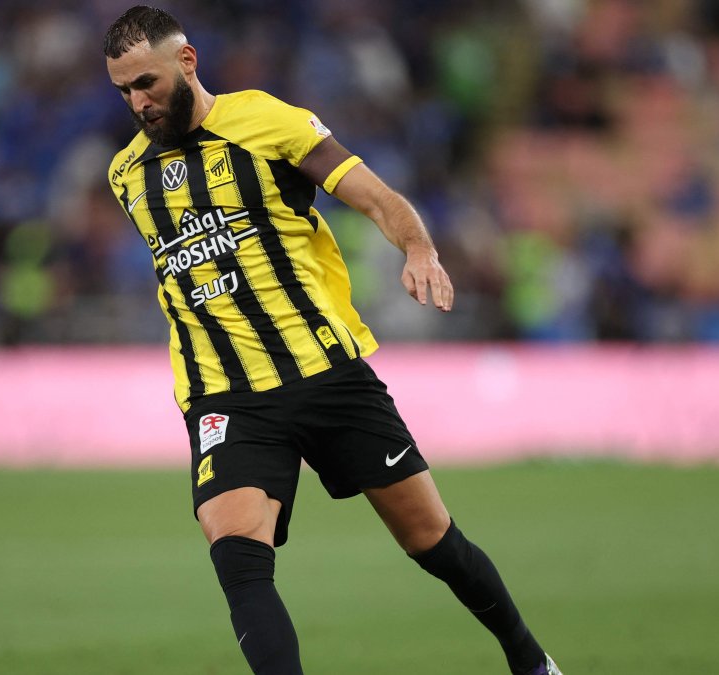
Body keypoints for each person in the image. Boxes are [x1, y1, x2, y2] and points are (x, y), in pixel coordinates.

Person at [103, 7, 563, 674]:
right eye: (124, 91)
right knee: (235, 552)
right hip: (226, 395)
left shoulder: (269, 122)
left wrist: (419, 247)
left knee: (430, 538)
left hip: (326, 373)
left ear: (187, 61)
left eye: (146, 82)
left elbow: (376, 196)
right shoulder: (127, 176)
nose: (138, 102)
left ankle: (529, 659)